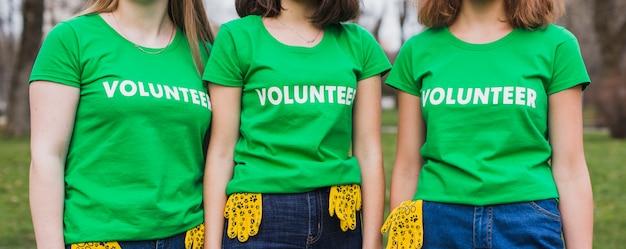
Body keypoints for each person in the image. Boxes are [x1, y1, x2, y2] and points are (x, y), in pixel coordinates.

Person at [381, 0, 594, 248]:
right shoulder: (417, 50)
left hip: (527, 220)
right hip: (437, 222)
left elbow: (571, 170)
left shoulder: (557, 45)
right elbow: (407, 167)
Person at [202, 0, 391, 248]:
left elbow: (369, 151)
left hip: (340, 219)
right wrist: (212, 244)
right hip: (260, 221)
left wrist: (373, 240)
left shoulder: (360, 44)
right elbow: (221, 153)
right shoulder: (237, 38)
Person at [28, 0, 213, 248]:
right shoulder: (71, 39)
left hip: (190, 237)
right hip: (100, 238)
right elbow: (47, 156)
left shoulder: (205, 54)